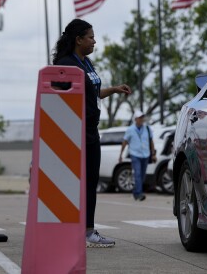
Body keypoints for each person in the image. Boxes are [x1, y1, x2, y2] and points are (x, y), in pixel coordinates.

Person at [52, 18, 131, 248]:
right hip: (74, 132)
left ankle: (87, 230)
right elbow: (59, 99)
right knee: (75, 183)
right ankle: (79, 232)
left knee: (90, 182)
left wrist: (113, 90)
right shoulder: (67, 65)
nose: (94, 41)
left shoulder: (86, 64)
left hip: (90, 131)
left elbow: (91, 93)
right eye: (91, 37)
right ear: (78, 40)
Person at [119, 110, 156, 201]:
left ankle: (136, 192)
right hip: (135, 154)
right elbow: (124, 142)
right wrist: (121, 154)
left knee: (142, 175)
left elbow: (151, 141)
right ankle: (139, 193)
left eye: (142, 117)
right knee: (138, 174)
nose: (142, 119)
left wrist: (153, 154)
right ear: (135, 119)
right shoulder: (130, 130)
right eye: (140, 118)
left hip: (145, 154)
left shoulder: (147, 128)